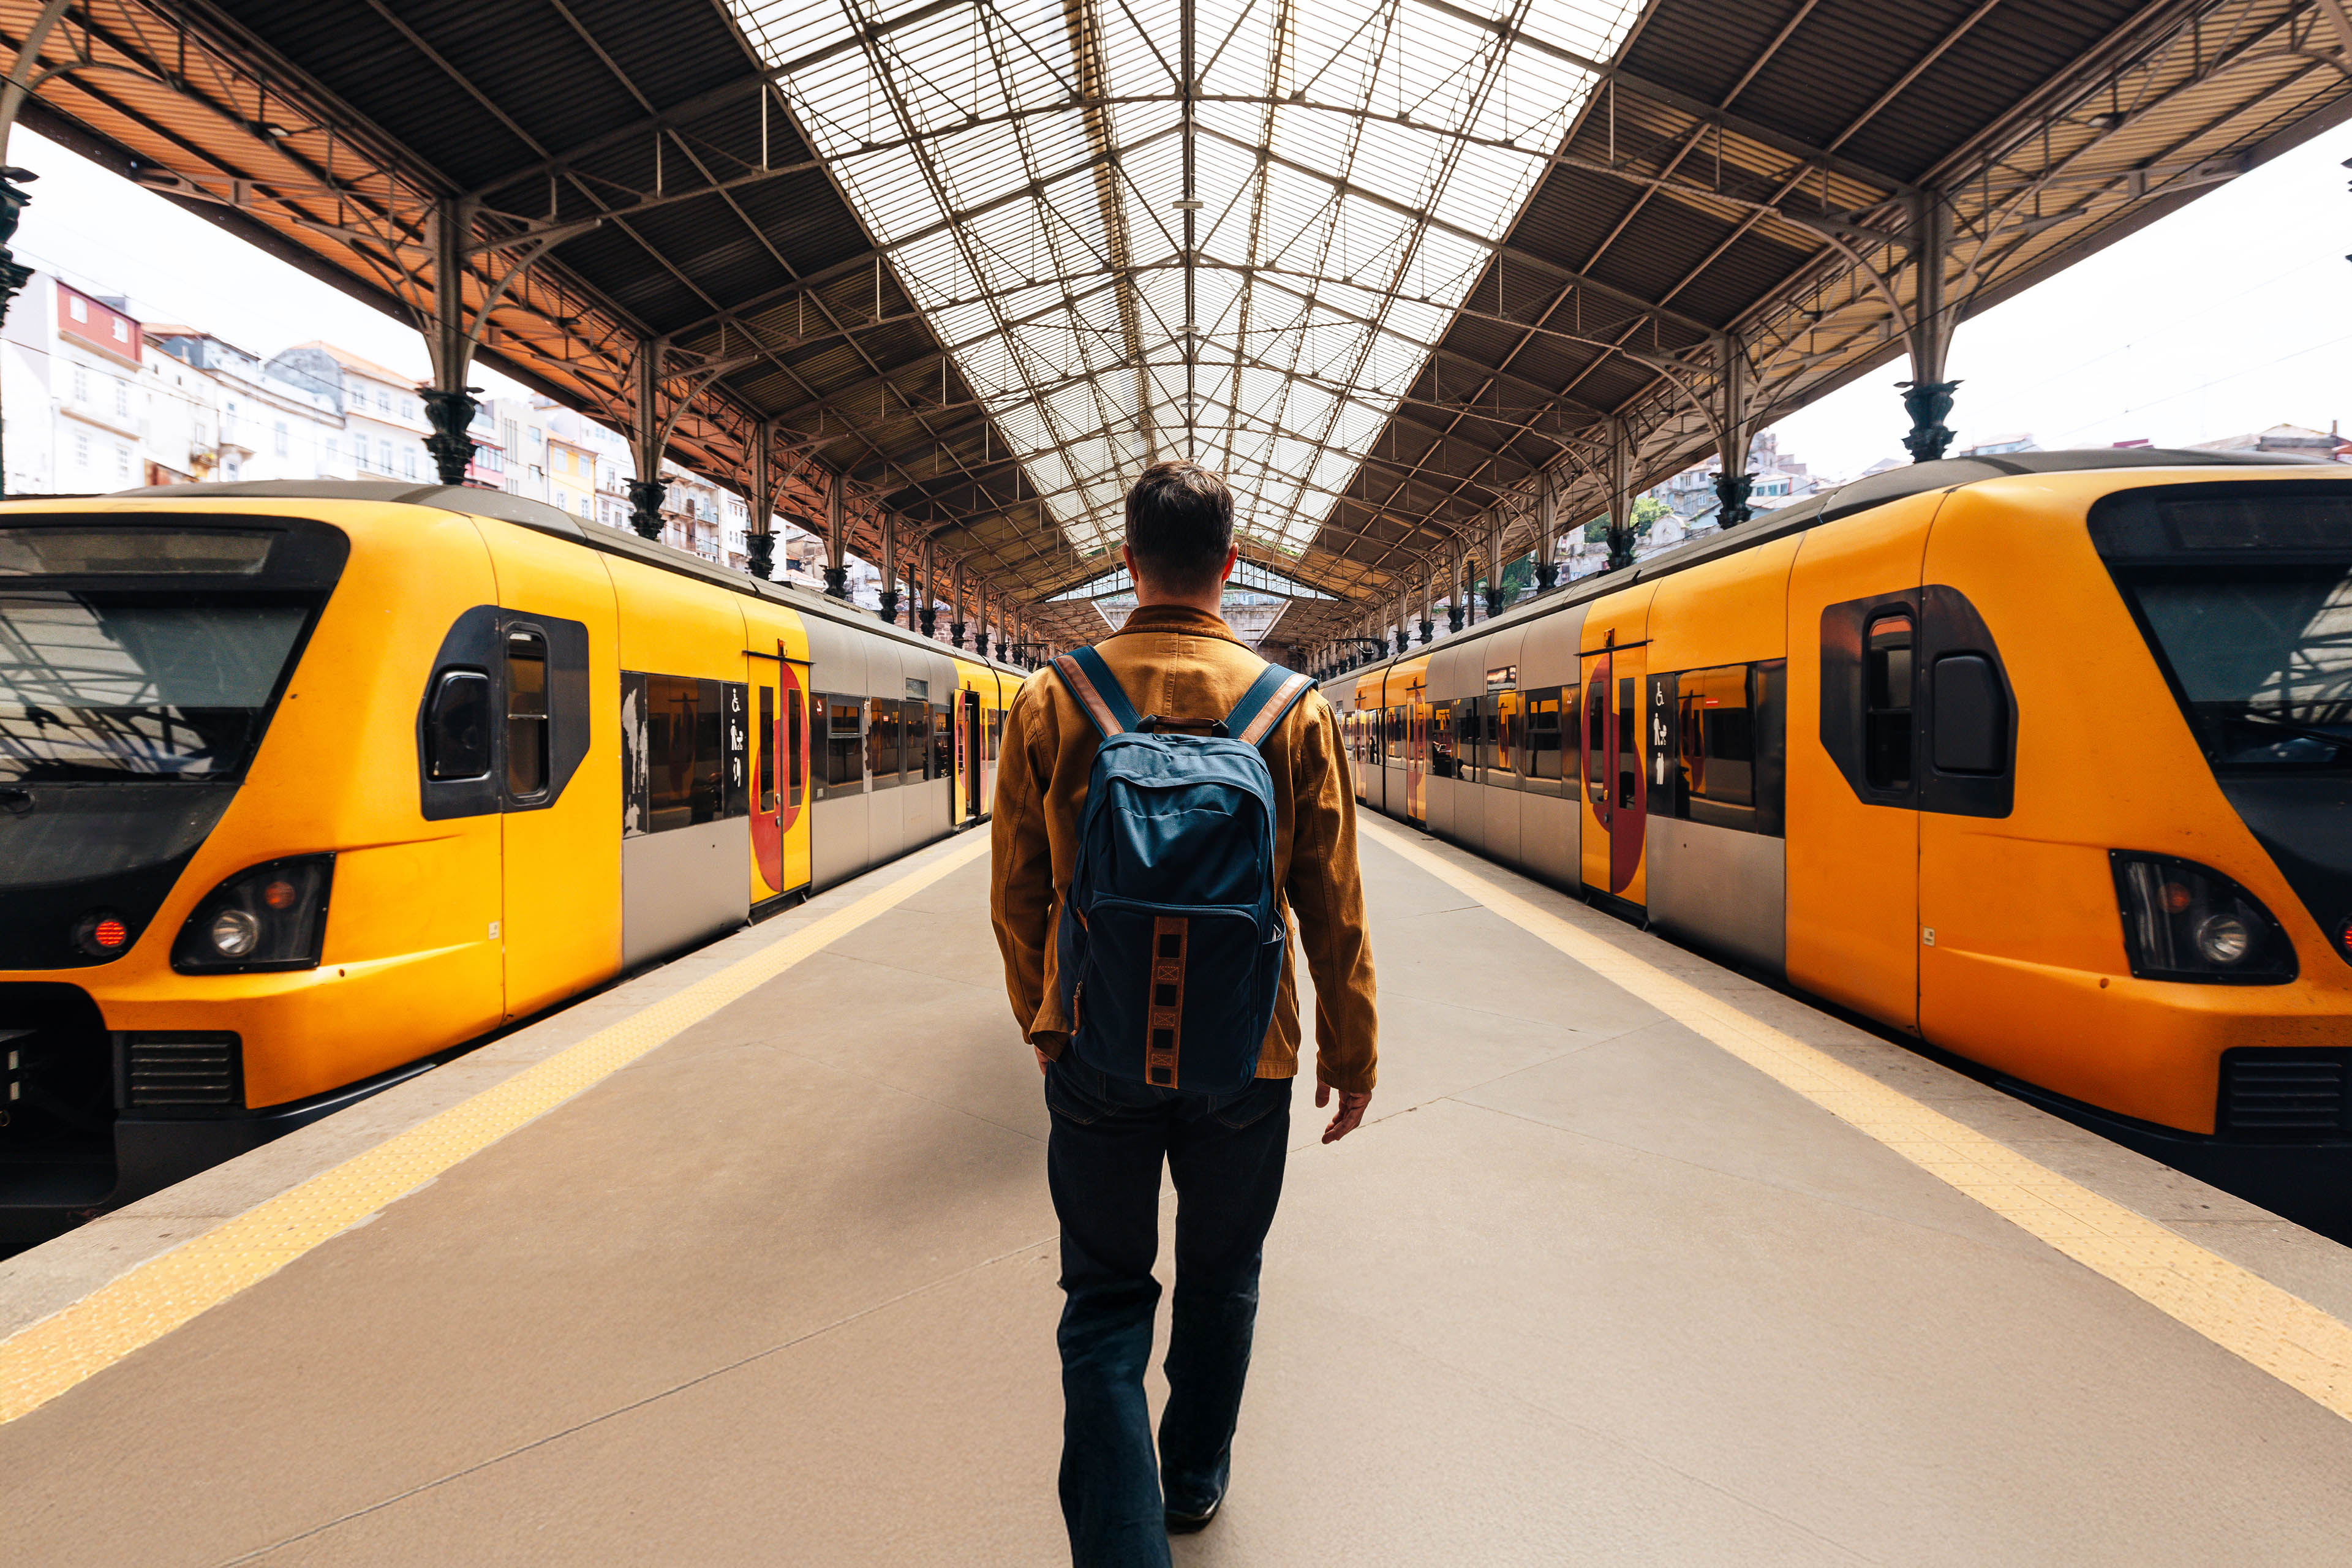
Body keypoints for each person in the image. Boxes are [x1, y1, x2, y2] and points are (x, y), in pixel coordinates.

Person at [990, 459, 1378, 1567]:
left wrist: (1048, 1018)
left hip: (1099, 1049)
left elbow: (1016, 893)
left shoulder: (1053, 699)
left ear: (1125, 562)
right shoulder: (1293, 709)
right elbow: (1331, 904)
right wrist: (1349, 1051)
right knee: (1223, 1279)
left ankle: (1120, 1549)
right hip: (1246, 1057)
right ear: (1232, 564)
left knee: (1105, 1303)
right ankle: (1195, 1478)